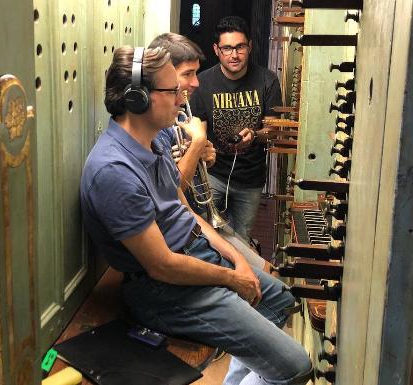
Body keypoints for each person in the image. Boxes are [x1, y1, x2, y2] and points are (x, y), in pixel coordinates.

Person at [80, 46, 312, 385]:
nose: (181, 98)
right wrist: (231, 277)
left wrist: (235, 257)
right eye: (172, 90)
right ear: (137, 99)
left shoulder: (155, 138)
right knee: (296, 367)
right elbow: (162, 265)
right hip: (166, 289)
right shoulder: (113, 171)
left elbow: (185, 211)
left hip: (195, 255)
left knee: (280, 301)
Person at [148, 32, 271, 273]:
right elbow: (173, 193)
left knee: (266, 270)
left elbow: (189, 173)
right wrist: (197, 145)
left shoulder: (179, 116)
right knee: (265, 276)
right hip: (186, 229)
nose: (196, 83)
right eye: (187, 74)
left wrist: (205, 156)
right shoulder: (155, 128)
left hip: (199, 218)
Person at [191, 16, 282, 241]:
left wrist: (255, 135)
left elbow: (273, 131)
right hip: (213, 175)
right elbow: (198, 132)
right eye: (227, 48)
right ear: (216, 49)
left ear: (249, 46)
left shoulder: (268, 80)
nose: (234, 54)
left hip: (251, 179)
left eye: (240, 47)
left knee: (241, 241)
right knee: (207, 238)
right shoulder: (202, 83)